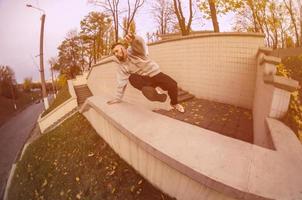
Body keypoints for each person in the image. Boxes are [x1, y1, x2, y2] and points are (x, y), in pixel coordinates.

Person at [107, 33, 185, 113]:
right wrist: (117, 98)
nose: (116, 54)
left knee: (173, 84)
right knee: (132, 78)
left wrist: (134, 39)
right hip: (145, 81)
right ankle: (154, 92)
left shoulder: (133, 50)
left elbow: (140, 44)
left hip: (155, 73)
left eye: (117, 51)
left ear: (123, 48)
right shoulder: (122, 67)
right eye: (114, 53)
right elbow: (121, 83)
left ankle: (174, 103)